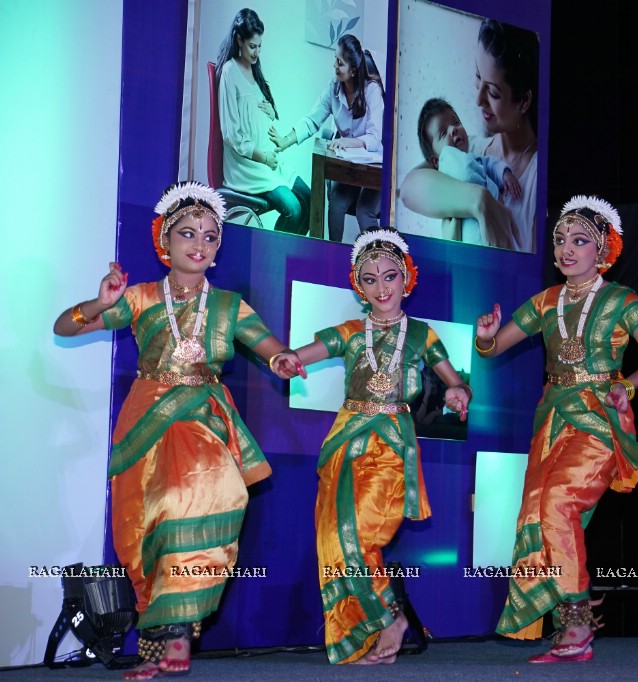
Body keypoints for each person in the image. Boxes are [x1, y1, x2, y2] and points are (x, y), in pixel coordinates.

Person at [53, 182, 293, 679]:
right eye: (187, 234)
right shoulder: (139, 298)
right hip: (144, 421)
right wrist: (99, 303)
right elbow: (64, 328)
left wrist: (283, 359)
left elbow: (269, 347)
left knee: (201, 499)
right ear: (165, 240)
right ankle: (159, 642)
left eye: (209, 236)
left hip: (201, 416)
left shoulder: (229, 307)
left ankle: (178, 642)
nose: (198, 245)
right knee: (141, 531)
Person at [474, 196, 638, 662]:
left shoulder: (622, 299)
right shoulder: (546, 302)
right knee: (539, 513)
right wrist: (485, 337)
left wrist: (629, 384)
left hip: (601, 417)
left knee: (559, 502)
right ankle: (570, 626)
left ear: (603, 250)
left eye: (579, 241)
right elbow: (494, 347)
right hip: (553, 420)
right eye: (560, 240)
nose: (566, 249)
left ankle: (578, 623)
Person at [270, 228, 472, 664]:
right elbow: (299, 356)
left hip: (393, 443)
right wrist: (285, 360)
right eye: (370, 278)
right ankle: (375, 629)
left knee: (359, 534)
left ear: (407, 278)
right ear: (358, 287)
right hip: (348, 441)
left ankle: (390, 619)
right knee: (333, 538)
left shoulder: (421, 335)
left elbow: (453, 380)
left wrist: (458, 392)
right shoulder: (349, 331)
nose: (382, 287)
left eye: (390, 276)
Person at [400, 18, 538, 251]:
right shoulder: (466, 150)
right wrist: (479, 201)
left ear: (524, 100)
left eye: (492, 92)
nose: (478, 100)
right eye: (477, 76)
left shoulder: (536, 175)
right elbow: (408, 189)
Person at [270, 34, 384, 240]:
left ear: (354, 70)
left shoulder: (372, 91)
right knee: (337, 205)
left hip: (372, 168)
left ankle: (372, 263)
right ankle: (333, 259)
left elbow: (374, 139)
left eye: (340, 63)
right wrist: (285, 141)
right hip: (347, 169)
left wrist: (346, 142)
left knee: (364, 211)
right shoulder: (333, 89)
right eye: (335, 60)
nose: (335, 66)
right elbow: (312, 120)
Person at [215, 8, 311, 235]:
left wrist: (270, 111)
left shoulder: (253, 71)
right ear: (239, 39)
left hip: (270, 163)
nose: (257, 52)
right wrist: (263, 157)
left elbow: (257, 115)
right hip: (248, 167)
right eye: (252, 46)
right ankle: (272, 259)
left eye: (260, 46)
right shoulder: (230, 72)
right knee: (294, 210)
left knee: (310, 198)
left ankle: (286, 256)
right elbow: (232, 134)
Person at [416, 97, 522, 245]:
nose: (453, 130)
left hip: (491, 223)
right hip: (467, 234)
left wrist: (505, 174)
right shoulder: (442, 176)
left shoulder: (475, 159)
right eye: (443, 133)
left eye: (456, 123)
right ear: (436, 161)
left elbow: (491, 164)